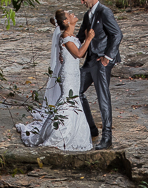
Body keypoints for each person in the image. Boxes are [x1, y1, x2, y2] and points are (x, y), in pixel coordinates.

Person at [14, 10, 95, 151]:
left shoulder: (71, 36)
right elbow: (79, 54)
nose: (73, 14)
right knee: (67, 100)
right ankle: (59, 133)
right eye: (70, 14)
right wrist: (88, 39)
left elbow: (76, 53)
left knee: (73, 100)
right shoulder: (65, 37)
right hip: (68, 75)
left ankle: (74, 133)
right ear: (66, 21)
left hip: (74, 74)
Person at [77, 0, 123, 150]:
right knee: (76, 91)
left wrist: (107, 57)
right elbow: (79, 37)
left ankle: (107, 137)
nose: (82, 2)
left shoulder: (105, 12)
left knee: (103, 97)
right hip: (89, 61)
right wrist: (64, 43)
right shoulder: (87, 15)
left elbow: (117, 34)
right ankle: (91, 128)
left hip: (102, 61)